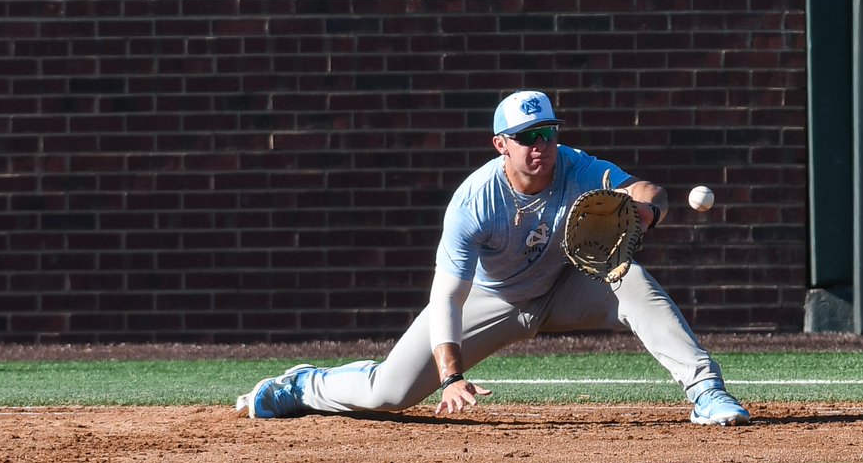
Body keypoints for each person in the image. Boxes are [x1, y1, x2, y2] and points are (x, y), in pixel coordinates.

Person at [235, 90, 750, 425]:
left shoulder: (576, 167)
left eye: (547, 133)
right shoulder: (475, 200)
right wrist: (451, 376)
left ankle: (707, 392)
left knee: (627, 277)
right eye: (526, 138)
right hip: (491, 299)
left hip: (563, 287)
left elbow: (647, 190)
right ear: (501, 144)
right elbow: (447, 297)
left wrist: (646, 211)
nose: (539, 146)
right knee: (388, 393)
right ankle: (304, 385)